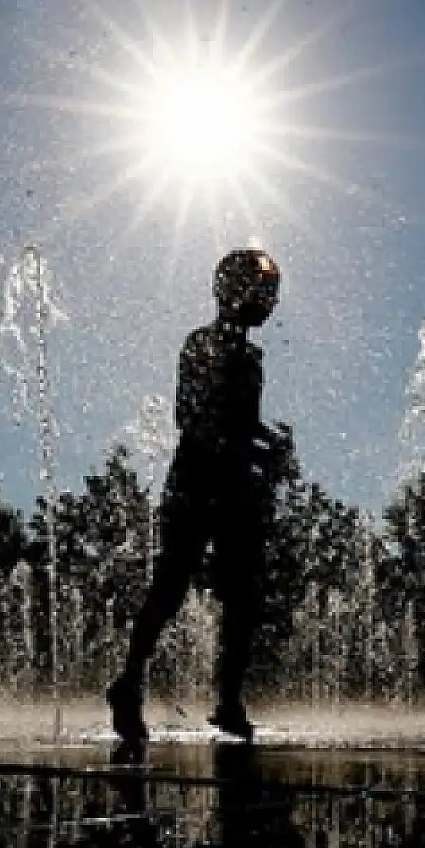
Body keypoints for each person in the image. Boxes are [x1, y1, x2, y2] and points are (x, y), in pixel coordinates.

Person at [106, 247, 283, 757]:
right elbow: (189, 415)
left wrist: (268, 443)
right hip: (196, 480)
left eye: (270, 293)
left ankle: (228, 698)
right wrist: (240, 446)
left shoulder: (253, 357)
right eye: (261, 291)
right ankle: (129, 683)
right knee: (171, 585)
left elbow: (245, 421)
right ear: (230, 292)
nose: (268, 302)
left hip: (233, 485)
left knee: (243, 594)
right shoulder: (201, 342)